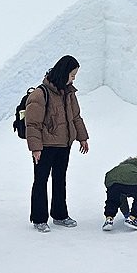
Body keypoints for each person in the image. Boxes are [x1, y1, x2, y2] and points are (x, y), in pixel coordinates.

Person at [25, 54, 89, 233]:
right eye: (72, 75)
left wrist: (82, 138)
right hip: (45, 147)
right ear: (63, 73)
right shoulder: (40, 94)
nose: (73, 78)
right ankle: (39, 219)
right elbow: (33, 124)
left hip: (64, 145)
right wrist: (36, 148)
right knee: (41, 181)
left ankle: (60, 215)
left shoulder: (69, 93)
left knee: (60, 179)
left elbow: (75, 117)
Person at [101, 156, 137, 232]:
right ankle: (132, 219)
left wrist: (126, 213)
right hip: (132, 178)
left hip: (110, 178)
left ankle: (109, 219)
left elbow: (121, 198)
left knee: (113, 199)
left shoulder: (122, 168)